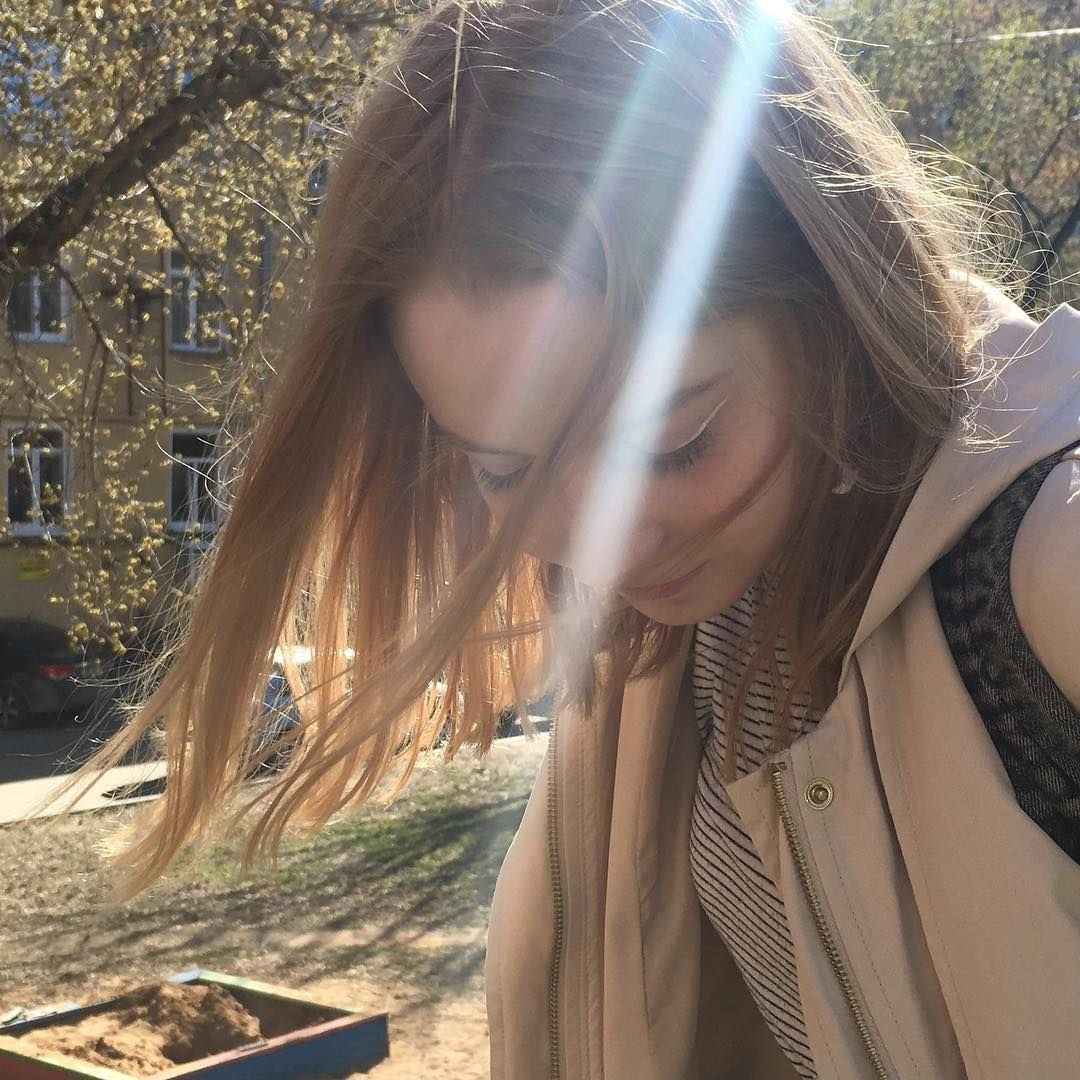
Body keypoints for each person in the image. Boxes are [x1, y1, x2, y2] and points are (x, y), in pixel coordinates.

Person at [95, 1, 1080, 1076]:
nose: (596, 549)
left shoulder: (1047, 575)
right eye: (504, 472)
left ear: (840, 309)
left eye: (672, 444)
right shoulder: (669, 631)